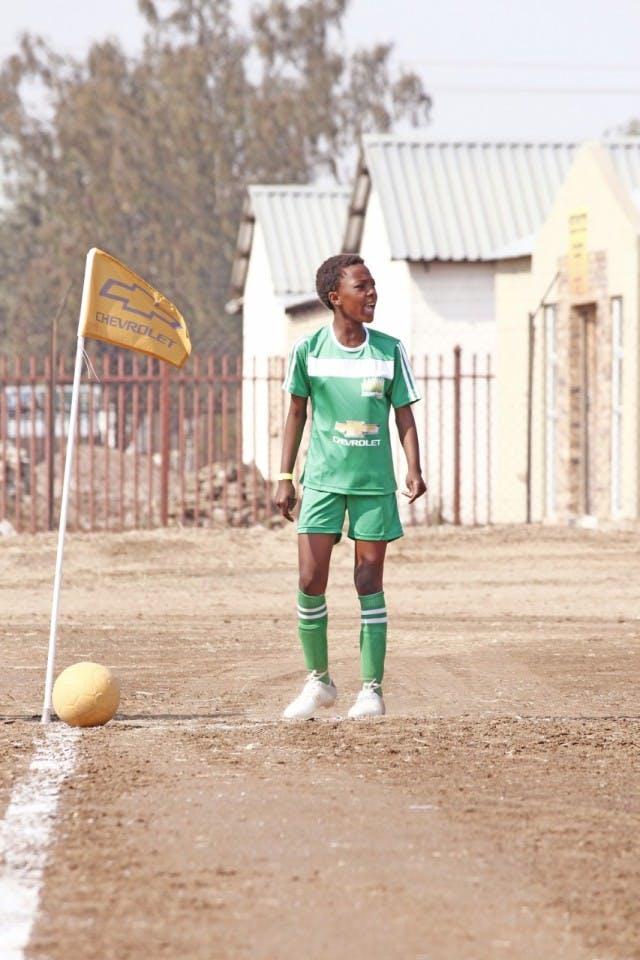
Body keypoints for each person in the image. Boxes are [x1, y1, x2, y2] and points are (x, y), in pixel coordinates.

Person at [275, 253, 426, 720]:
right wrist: (285, 477)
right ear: (335, 297)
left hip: (373, 485)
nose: (372, 293)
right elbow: (296, 413)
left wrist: (414, 467)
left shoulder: (389, 350)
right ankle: (318, 682)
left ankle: (371, 691)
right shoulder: (308, 350)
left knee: (368, 580)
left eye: (373, 285)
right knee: (309, 579)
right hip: (322, 481)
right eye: (362, 287)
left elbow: (403, 413)